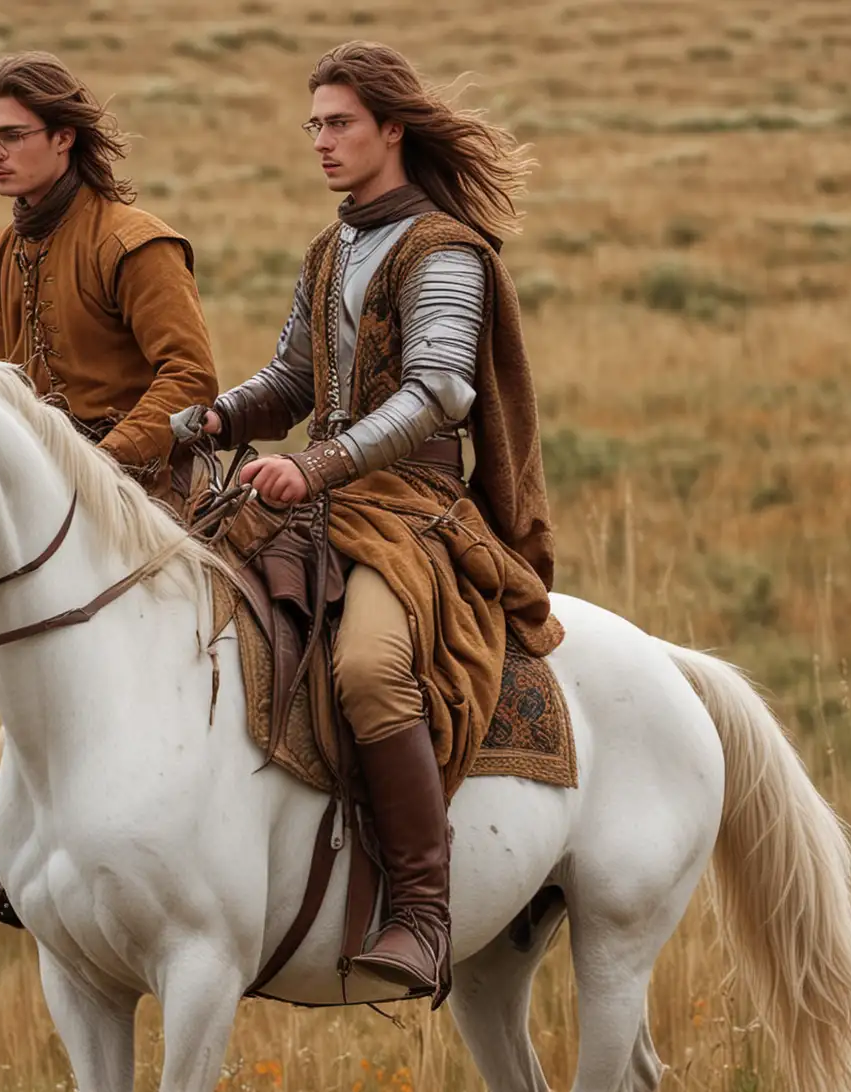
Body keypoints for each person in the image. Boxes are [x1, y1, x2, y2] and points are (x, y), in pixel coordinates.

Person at [199, 41, 562, 1006]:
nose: (321, 142)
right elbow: (293, 380)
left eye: (340, 123)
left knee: (365, 665)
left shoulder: (442, 249)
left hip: (417, 510)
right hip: (320, 495)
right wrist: (219, 418)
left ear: (392, 129)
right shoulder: (330, 250)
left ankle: (423, 909)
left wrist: (316, 460)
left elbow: (439, 391)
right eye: (313, 124)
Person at [0, 52, 219, 930]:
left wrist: (101, 464)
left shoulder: (134, 241)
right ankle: (31, 845)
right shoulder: (1, 252)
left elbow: (191, 378)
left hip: (154, 497)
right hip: (56, 511)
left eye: (12, 136)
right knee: (23, 649)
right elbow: (3, 391)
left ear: (64, 138)